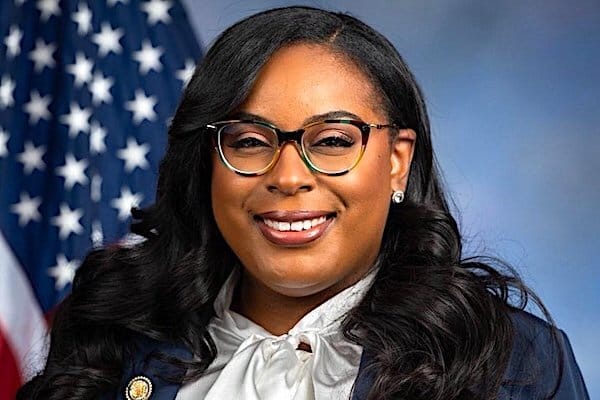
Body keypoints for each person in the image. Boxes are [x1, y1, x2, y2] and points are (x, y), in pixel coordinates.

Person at [18, 6, 589, 400]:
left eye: (333, 141)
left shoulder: (513, 361)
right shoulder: (112, 343)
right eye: (249, 141)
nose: (289, 177)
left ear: (396, 160)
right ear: (208, 162)